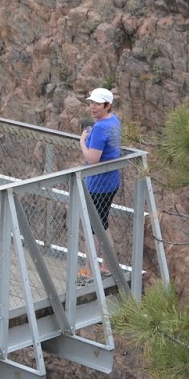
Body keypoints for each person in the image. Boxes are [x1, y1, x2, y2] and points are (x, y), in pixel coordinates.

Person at [80, 87, 122, 279]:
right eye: (91, 103)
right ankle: (107, 266)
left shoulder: (99, 128)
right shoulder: (114, 121)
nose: (93, 107)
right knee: (102, 224)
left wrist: (83, 141)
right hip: (111, 181)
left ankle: (89, 272)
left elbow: (93, 158)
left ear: (107, 105)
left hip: (98, 184)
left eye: (97, 104)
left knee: (92, 228)